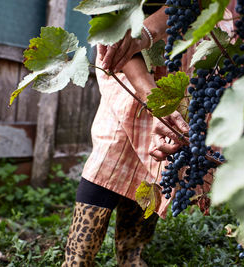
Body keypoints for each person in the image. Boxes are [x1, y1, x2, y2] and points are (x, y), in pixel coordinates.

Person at [61, 3, 189, 267]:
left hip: (176, 51)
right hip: (123, 59)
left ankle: (131, 256)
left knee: (156, 159)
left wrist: (148, 32)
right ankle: (76, 261)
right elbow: (111, 27)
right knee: (112, 146)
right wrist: (151, 97)